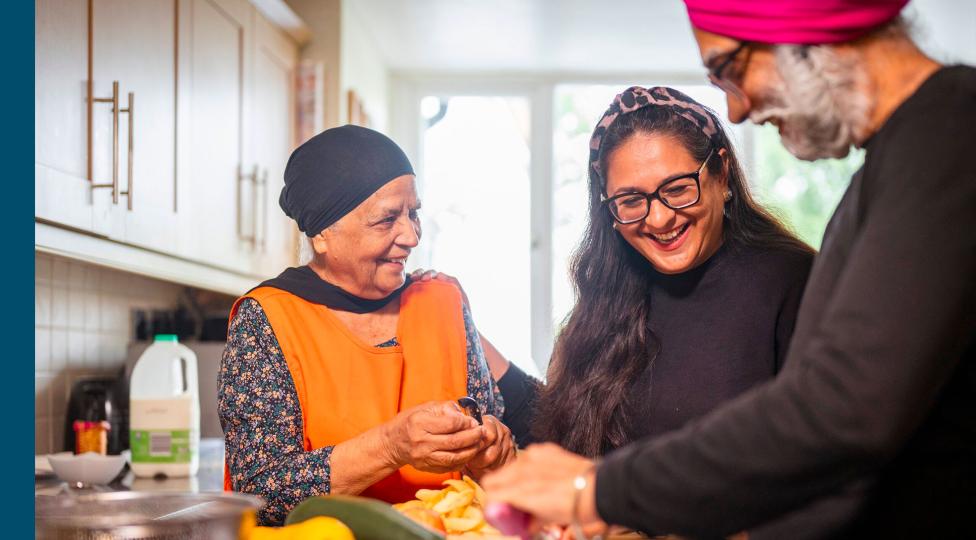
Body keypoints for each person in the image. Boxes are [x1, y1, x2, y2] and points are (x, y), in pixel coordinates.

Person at [482, 1, 976, 538]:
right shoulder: (899, 155)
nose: (738, 111)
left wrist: (600, 492)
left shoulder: (952, 126)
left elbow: (844, 406)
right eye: (631, 200)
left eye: (732, 71)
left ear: (801, 24)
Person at [423, 86, 814, 462]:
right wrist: (464, 327)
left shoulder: (794, 280)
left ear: (722, 174)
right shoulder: (611, 294)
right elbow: (557, 433)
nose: (659, 218)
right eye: (631, 200)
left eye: (677, 189)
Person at [219, 125, 517, 525]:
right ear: (323, 234)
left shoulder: (444, 301)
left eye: (414, 213)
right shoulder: (267, 320)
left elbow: (495, 461)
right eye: (387, 219)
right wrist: (391, 446)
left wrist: (494, 454)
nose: (411, 236)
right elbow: (259, 493)